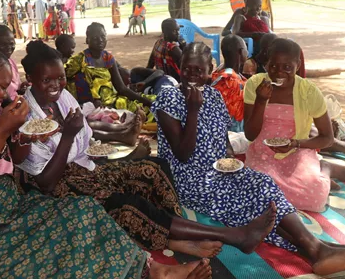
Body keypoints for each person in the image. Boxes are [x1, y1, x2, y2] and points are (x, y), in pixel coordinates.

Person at [0, 44, 214, 279]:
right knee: (43, 259)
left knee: (81, 212)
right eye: (1, 87)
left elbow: (15, 158)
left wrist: (19, 137)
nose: (4, 96)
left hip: (7, 207)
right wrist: (4, 131)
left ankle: (157, 273)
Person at [18, 40, 300, 258]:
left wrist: (100, 150)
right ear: (29, 77)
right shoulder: (24, 116)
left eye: (60, 78)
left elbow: (86, 141)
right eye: (47, 80)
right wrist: (68, 137)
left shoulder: (65, 98)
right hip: (61, 187)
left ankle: (178, 234)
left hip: (88, 169)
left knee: (154, 170)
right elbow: (44, 182)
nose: (56, 85)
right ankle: (230, 235)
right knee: (129, 205)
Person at [152, 41, 345, 276]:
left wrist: (229, 157)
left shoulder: (215, 97)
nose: (192, 75)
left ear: (210, 69)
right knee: (253, 203)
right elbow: (182, 154)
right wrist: (193, 109)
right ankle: (319, 250)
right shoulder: (169, 99)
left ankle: (322, 249)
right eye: (187, 69)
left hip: (219, 171)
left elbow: (222, 140)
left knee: (264, 184)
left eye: (199, 70)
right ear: (180, 67)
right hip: (188, 180)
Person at [244, 38, 345, 211]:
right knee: (256, 192)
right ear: (267, 64)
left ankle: (325, 169)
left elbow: (327, 138)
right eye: (273, 66)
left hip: (299, 149)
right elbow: (250, 135)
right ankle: (318, 171)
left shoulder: (309, 91)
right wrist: (261, 101)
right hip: (262, 151)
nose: (279, 73)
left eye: (287, 67)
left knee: (314, 198)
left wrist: (296, 144)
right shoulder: (254, 84)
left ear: (297, 65)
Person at [66, 22, 153, 116]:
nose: (100, 40)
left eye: (103, 37)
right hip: (94, 108)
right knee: (142, 113)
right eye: (95, 38)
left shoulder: (107, 58)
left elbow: (121, 88)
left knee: (153, 102)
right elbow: (63, 79)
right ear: (87, 40)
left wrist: (146, 101)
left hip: (114, 102)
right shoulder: (79, 60)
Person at [211, 35, 248, 132]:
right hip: (232, 134)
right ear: (241, 52)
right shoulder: (232, 81)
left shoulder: (217, 73)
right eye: (246, 50)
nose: (247, 53)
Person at [0, 25, 28, 100]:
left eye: (11, 43)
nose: (9, 48)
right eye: (3, 45)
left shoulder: (11, 62)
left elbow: (15, 88)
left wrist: (21, 87)